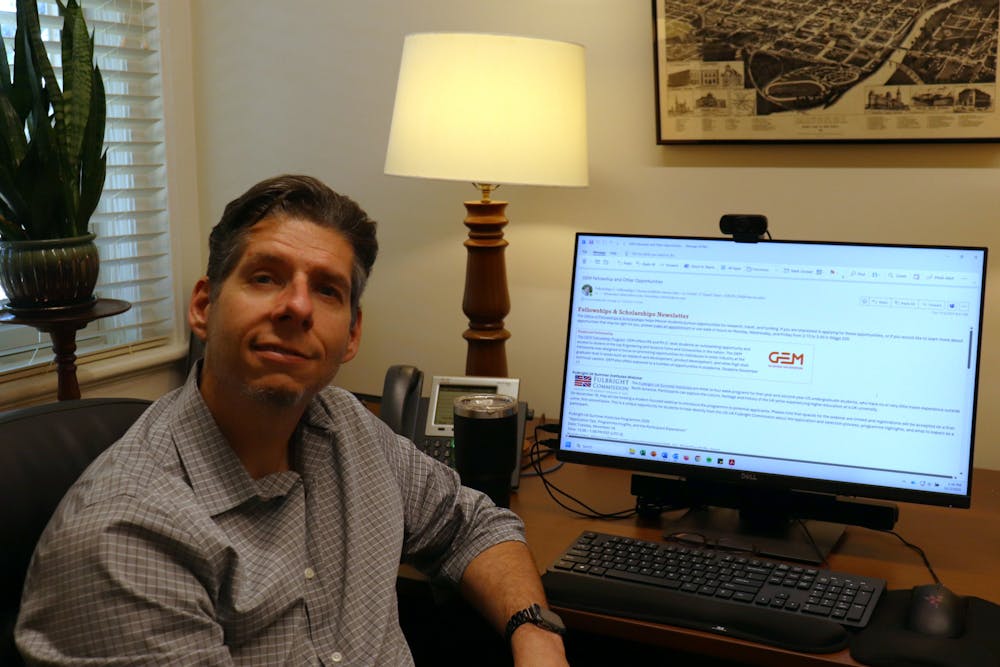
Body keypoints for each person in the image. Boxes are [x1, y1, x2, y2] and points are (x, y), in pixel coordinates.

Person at [15, 175, 568, 666]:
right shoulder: (129, 539)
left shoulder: (345, 426)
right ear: (204, 307)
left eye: (327, 290)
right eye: (265, 277)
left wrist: (536, 634)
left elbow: (469, 523)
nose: (297, 307)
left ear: (351, 335)